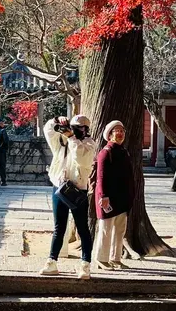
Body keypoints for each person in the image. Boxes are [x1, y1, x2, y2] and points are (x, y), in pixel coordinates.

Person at [41, 113, 96, 279]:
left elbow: (82, 159)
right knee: (59, 227)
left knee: (82, 228)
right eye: (74, 127)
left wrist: (72, 138)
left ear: (86, 129)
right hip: (60, 188)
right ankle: (52, 261)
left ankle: (85, 264)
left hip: (78, 190)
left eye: (81, 127)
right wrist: (57, 120)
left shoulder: (89, 144)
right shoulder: (62, 142)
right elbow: (48, 130)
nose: (77, 130)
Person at [93, 119, 135, 269]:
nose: (120, 134)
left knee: (120, 230)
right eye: (117, 131)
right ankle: (101, 258)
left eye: (122, 131)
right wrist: (103, 196)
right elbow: (101, 177)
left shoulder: (124, 152)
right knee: (106, 229)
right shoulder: (105, 153)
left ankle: (115, 258)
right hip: (108, 199)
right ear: (110, 134)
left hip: (122, 199)